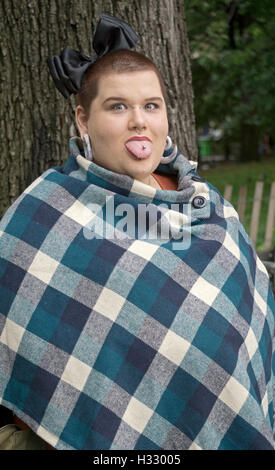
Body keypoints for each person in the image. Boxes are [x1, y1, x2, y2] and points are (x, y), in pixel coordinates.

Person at [0, 13, 274, 451]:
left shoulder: (208, 207)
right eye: (117, 106)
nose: (139, 122)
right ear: (83, 121)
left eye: (151, 105)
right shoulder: (43, 212)